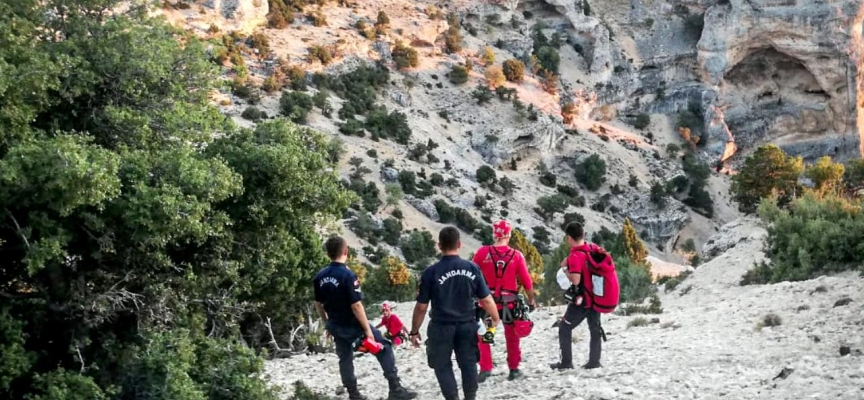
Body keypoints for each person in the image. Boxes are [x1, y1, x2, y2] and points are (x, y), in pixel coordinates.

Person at [313, 236, 417, 400]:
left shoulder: (320, 276)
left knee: (345, 359)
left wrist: (328, 325)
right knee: (384, 348)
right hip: (354, 326)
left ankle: (354, 395)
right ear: (346, 251)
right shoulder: (347, 275)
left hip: (336, 326)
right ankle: (395, 389)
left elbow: (318, 304)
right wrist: (368, 330)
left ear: (328, 253)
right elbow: (356, 306)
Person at [409, 227, 501, 400]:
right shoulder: (472, 268)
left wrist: (414, 331)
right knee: (468, 363)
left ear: (439, 246)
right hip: (467, 325)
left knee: (442, 365)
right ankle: (470, 397)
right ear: (459, 244)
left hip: (441, 327)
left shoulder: (430, 272)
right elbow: (486, 299)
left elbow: (421, 307)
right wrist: (495, 318)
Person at [471, 220, 535, 382]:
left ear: (494, 234)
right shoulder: (517, 256)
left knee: (484, 334)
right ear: (509, 234)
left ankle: (485, 368)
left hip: (486, 302)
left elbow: (471, 275)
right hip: (509, 303)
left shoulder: (482, 253)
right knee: (512, 336)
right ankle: (513, 369)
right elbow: (527, 281)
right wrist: (531, 300)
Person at [550, 222, 604, 370]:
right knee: (595, 328)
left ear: (569, 238)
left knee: (564, 328)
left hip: (581, 300)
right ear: (584, 234)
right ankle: (594, 361)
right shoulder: (593, 249)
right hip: (596, 297)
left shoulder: (574, 256)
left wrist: (565, 268)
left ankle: (566, 363)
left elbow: (575, 280)